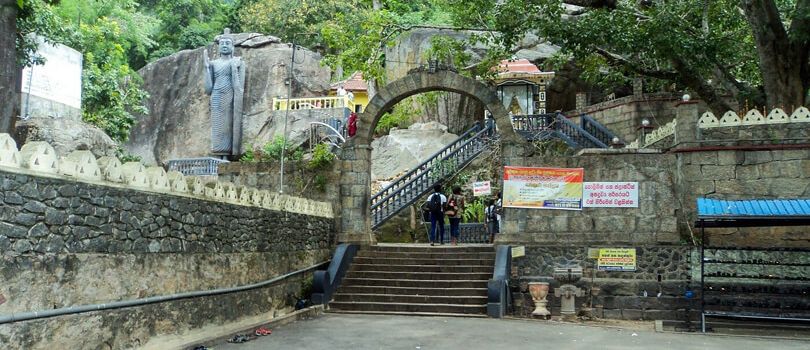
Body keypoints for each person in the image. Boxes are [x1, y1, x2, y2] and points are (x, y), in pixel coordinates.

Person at [203, 28, 245, 157]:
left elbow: (240, 87)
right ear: (218, 47)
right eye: (222, 43)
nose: (225, 46)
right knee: (217, 126)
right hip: (216, 96)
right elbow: (208, 89)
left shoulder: (238, 62)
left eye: (228, 43)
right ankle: (217, 152)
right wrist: (206, 68)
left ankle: (226, 154)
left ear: (232, 47)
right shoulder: (213, 64)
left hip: (229, 96)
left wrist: (234, 67)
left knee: (227, 125)